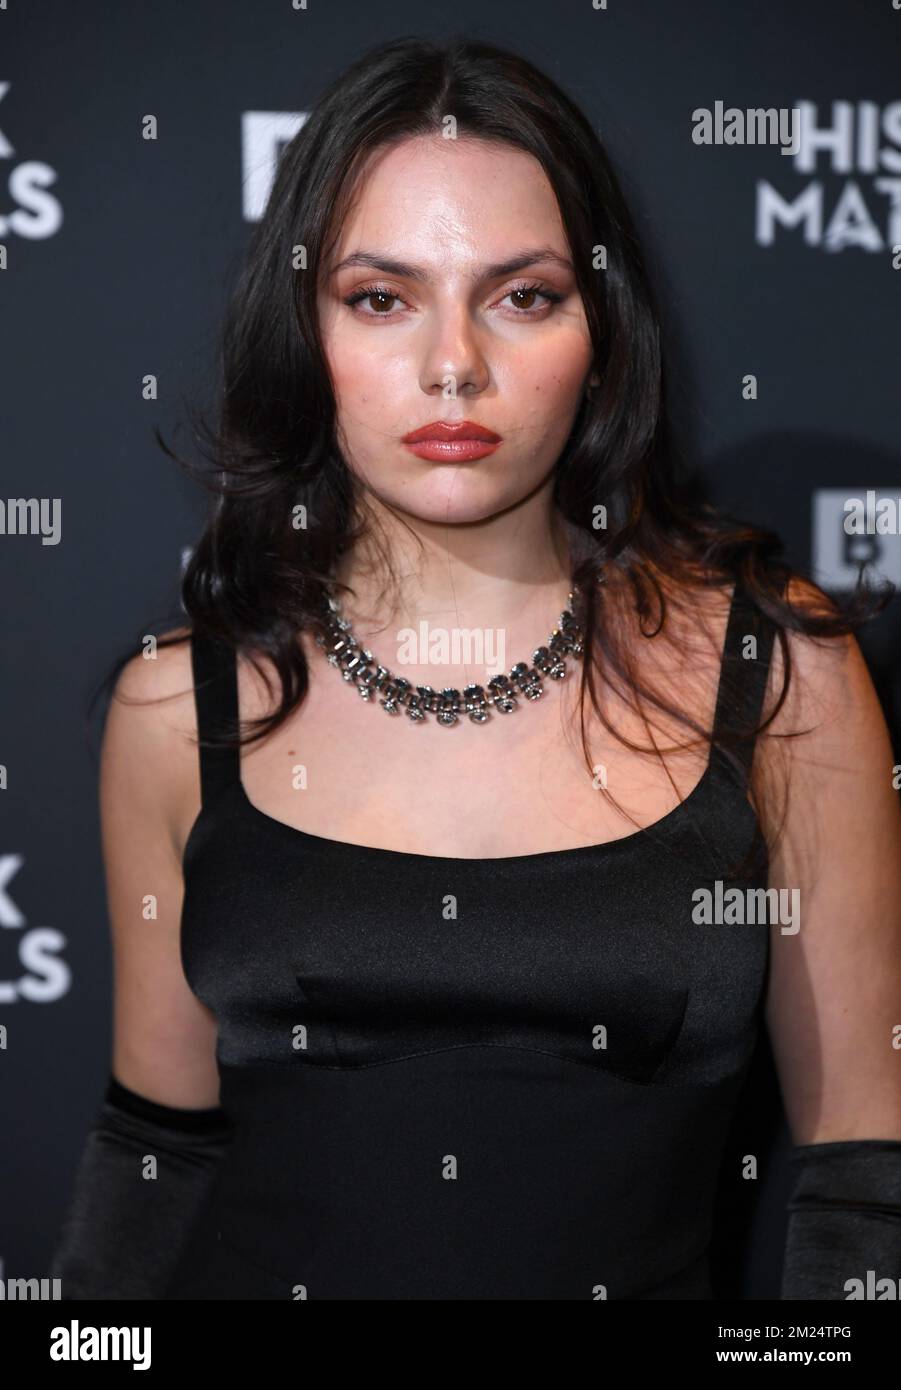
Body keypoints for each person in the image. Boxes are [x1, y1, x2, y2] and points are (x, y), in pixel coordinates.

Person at [50, 35, 901, 1300]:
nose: (454, 363)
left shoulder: (773, 675)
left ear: (603, 333)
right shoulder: (182, 705)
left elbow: (856, 1179)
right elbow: (155, 1154)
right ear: (306, 330)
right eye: (381, 297)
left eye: (523, 295)